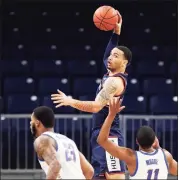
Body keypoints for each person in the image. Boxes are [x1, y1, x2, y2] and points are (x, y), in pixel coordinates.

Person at [51, 12, 132, 179]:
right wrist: (116, 32)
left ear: (124, 63)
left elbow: (96, 106)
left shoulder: (114, 82)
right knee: (99, 176)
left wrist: (70, 101)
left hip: (110, 135)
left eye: (115, 56)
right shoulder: (110, 72)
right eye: (111, 55)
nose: (110, 57)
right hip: (99, 133)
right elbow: (107, 54)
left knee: (114, 176)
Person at [97, 98, 178, 179]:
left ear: (137, 141)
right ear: (155, 141)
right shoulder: (166, 156)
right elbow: (176, 171)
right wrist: (159, 148)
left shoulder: (132, 157)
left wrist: (111, 115)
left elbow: (101, 140)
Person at [30, 106, 94, 179]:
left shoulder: (42, 140)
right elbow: (89, 171)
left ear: (37, 123)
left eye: (31, 121)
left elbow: (55, 166)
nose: (30, 124)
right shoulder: (68, 140)